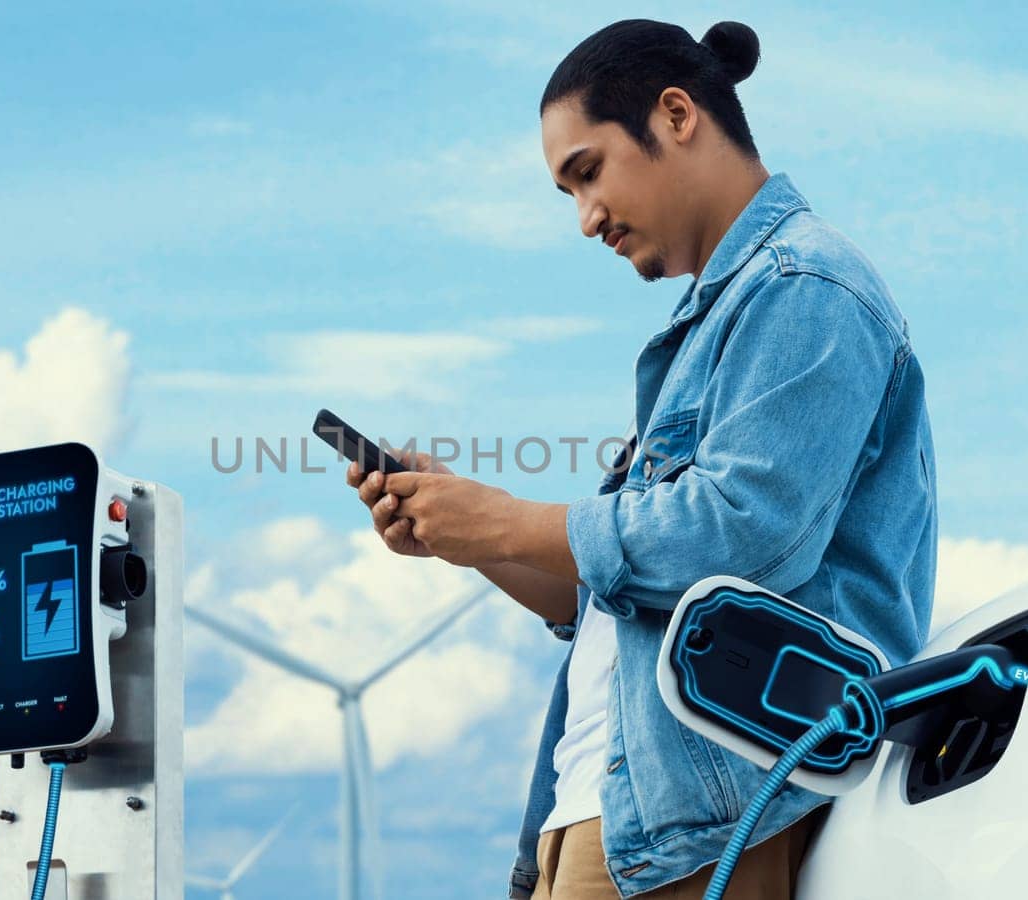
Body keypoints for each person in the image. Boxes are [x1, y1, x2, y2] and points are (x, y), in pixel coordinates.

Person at [344, 18, 936, 899]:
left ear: (676, 115)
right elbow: (615, 595)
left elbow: (746, 538)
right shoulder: (725, 315)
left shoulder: (805, 288)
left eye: (588, 172)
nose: (585, 219)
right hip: (605, 814)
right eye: (565, 193)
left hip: (698, 818)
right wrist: (467, 535)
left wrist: (505, 518)